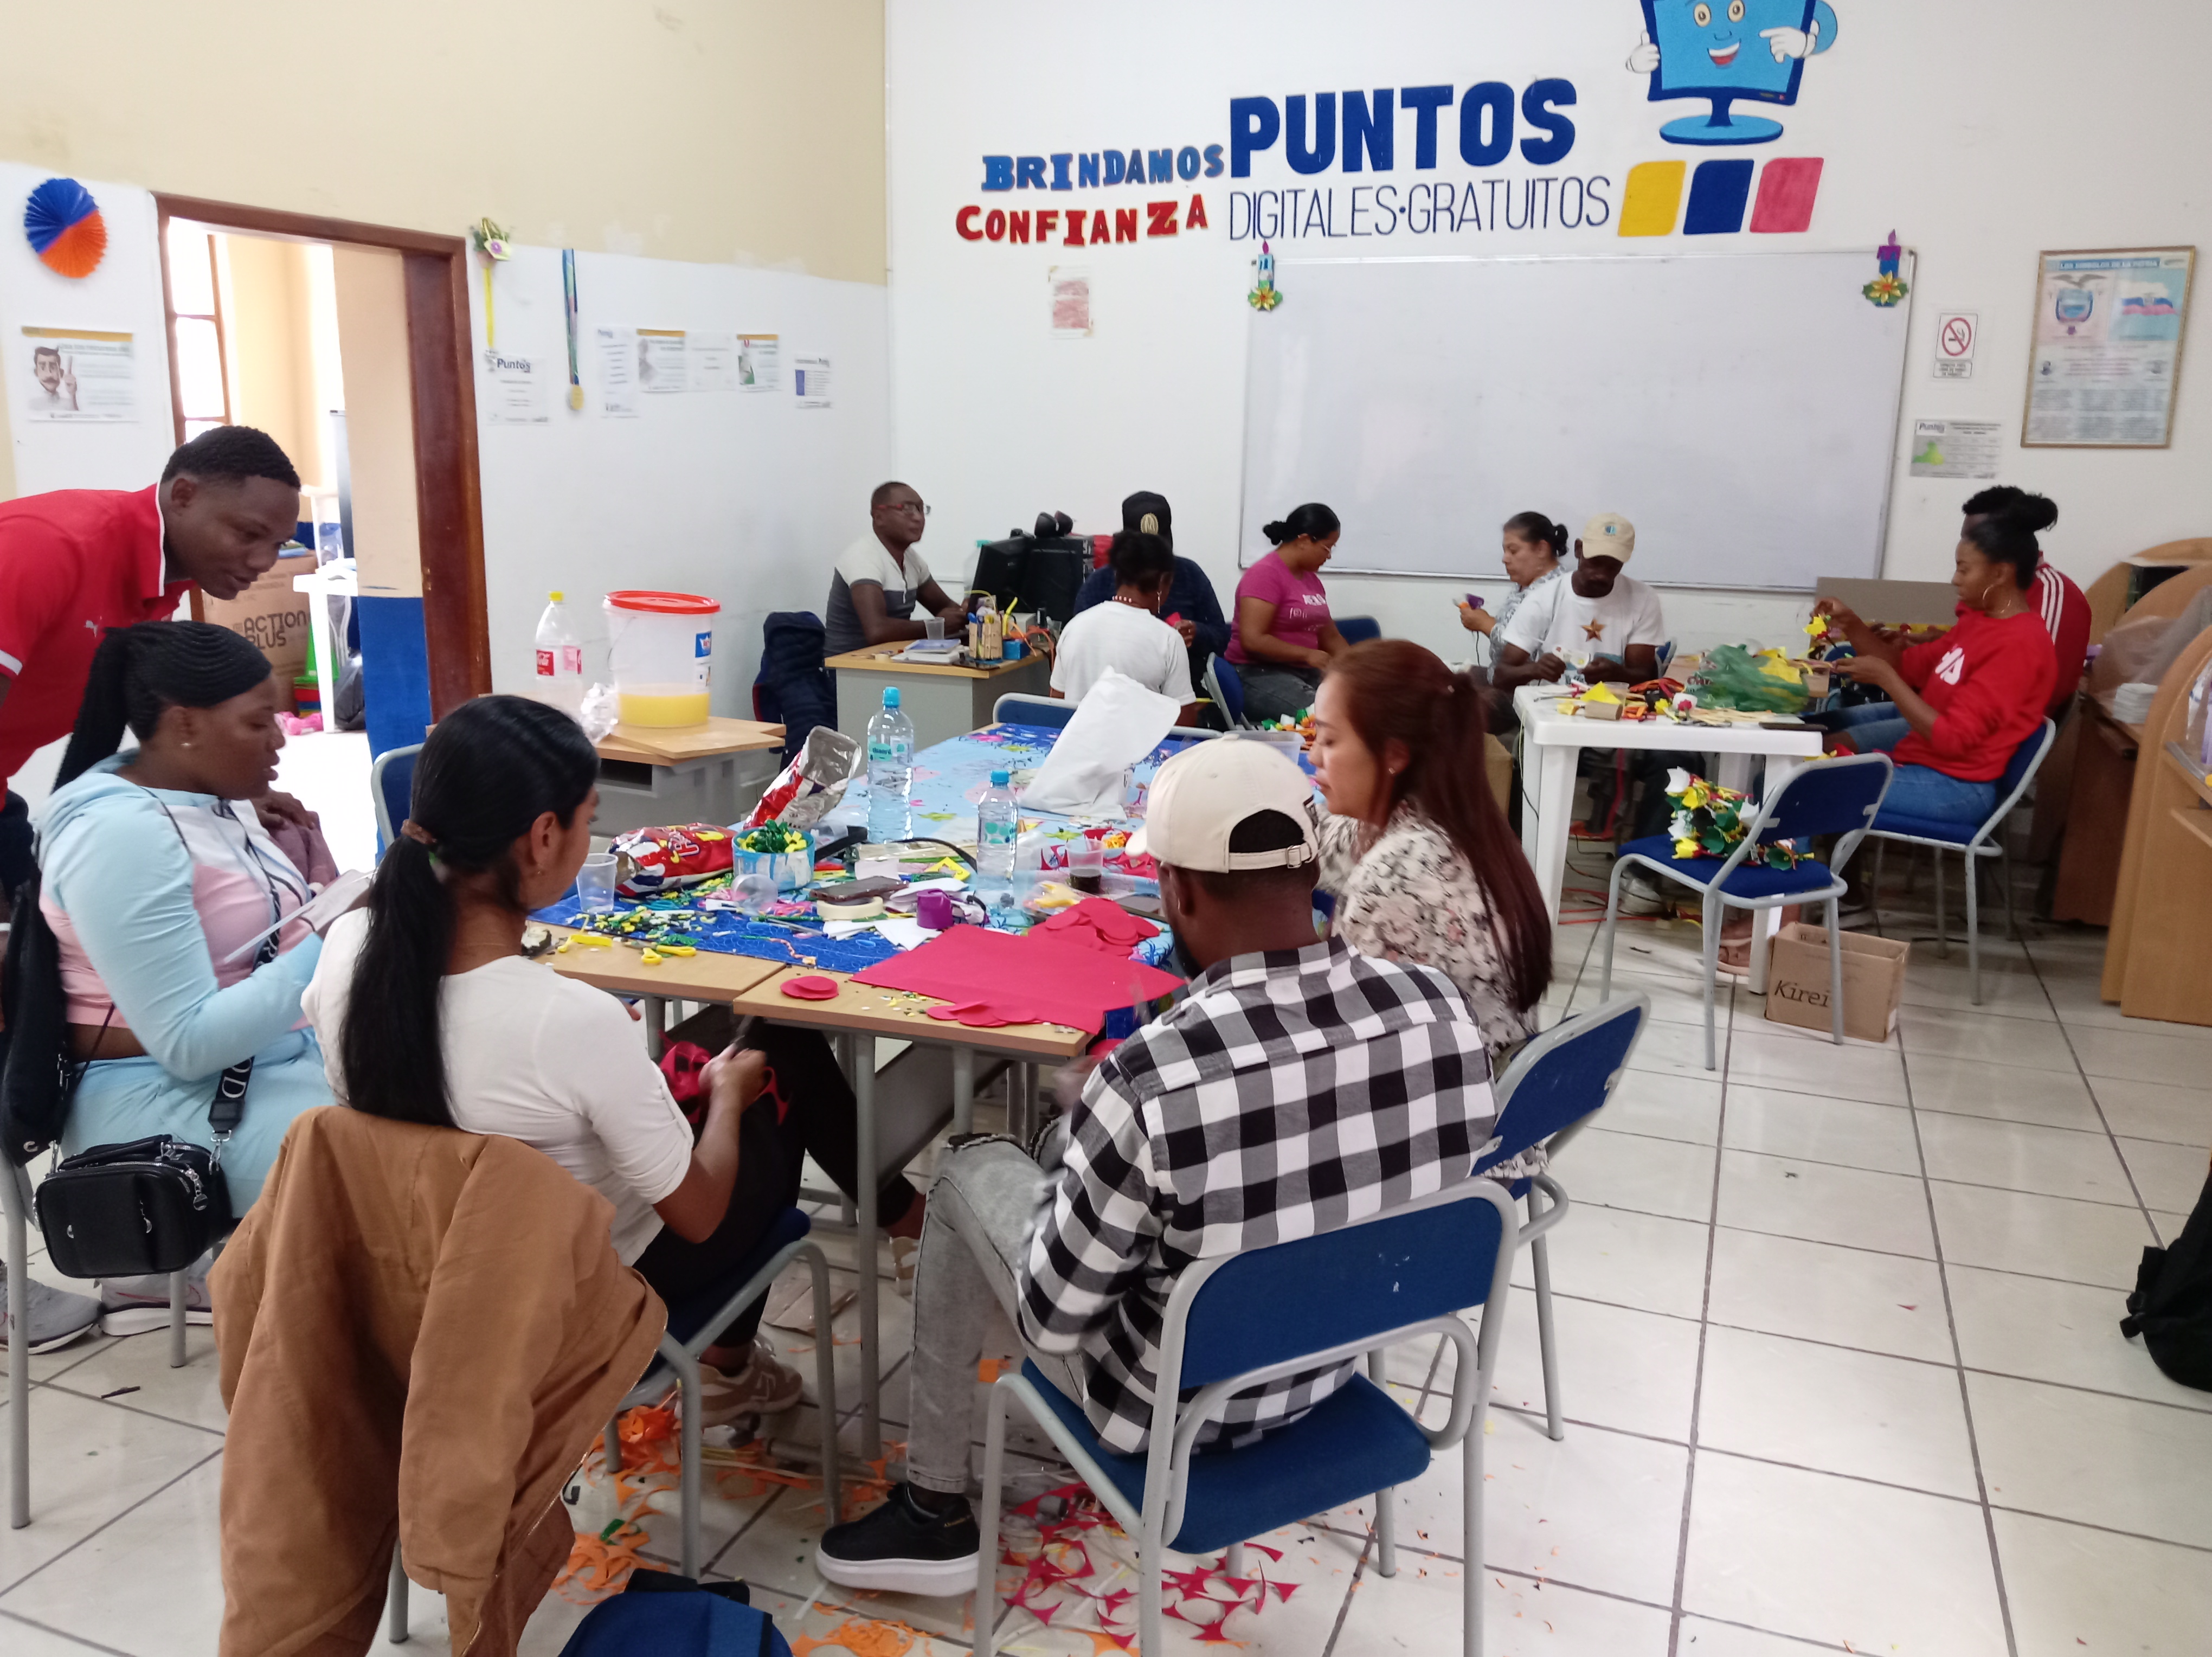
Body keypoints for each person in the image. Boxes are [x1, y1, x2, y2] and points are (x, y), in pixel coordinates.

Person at [814, 740, 1497, 1595]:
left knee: (967, 1167)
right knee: (1098, 1176)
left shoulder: (1149, 1079)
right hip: (1333, 1362)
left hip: (1176, 1409)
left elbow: (1052, 1320)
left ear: (1177, 891)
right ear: (1309, 870)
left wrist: (1089, 1138)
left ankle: (932, 1510)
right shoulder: (1437, 1009)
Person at [304, 696, 932, 1425]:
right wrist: (728, 1097)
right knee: (777, 1056)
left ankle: (900, 1222)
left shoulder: (348, 949)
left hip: (431, 1275)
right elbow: (698, 1215)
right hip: (597, 1286)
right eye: (589, 819)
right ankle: (734, 1362)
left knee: (756, 1037)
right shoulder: (568, 1020)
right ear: (544, 837)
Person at [33, 622, 339, 1335]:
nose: (281, 738)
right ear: (186, 726)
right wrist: (333, 937)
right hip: (152, 1100)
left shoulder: (201, 796)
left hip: (260, 1061)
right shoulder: (121, 835)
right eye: (258, 722)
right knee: (415, 1156)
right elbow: (189, 1044)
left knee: (462, 1091)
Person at [0, 426, 308, 911]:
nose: (263, 561)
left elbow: (126, 740)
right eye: (248, 534)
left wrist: (215, 800)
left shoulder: (162, 585)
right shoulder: (48, 547)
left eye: (278, 544)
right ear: (183, 495)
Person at [1310, 641, 1551, 1059]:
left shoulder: (1394, 879)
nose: (1313, 754)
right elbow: (1328, 837)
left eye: (1329, 740)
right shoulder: (1459, 823)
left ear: (1394, 755)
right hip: (1490, 1069)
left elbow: (1341, 1041)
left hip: (1445, 1088)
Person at [1815, 493, 2059, 830]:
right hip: (1923, 764)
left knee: (1801, 787)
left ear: (2000, 573)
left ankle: (1788, 864)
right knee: (1796, 769)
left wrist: (1887, 680)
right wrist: (1851, 623)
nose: (1955, 579)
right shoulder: (1979, 623)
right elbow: (1903, 665)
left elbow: (1952, 739)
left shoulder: (2019, 645)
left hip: (1955, 787)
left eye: (1964, 569)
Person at [1069, 490, 1230, 691]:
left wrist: (1197, 633)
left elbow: (1222, 637)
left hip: (1185, 687)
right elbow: (1081, 644)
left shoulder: (1190, 574)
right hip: (1113, 689)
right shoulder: (1099, 582)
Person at [1491, 512, 1666, 691]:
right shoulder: (1543, 599)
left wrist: (1618, 674)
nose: (1601, 575)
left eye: (1613, 566)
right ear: (1578, 549)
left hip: (1615, 706)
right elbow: (1501, 677)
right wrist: (1534, 670)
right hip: (1550, 706)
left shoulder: (1643, 599)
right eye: (1595, 562)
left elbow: (1645, 678)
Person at [1049, 530, 1197, 716]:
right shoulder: (1168, 640)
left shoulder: (1074, 628)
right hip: (1141, 737)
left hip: (1079, 736)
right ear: (1162, 582)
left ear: (1117, 574)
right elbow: (1182, 722)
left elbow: (1056, 703)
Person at [1227, 502, 1348, 722]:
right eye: (1327, 548)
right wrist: (1308, 654)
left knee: (1359, 704)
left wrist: (1358, 668)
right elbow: (1253, 640)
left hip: (1302, 673)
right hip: (1258, 674)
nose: (1329, 556)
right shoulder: (1264, 575)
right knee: (1328, 714)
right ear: (1304, 540)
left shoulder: (1311, 580)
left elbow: (1330, 637)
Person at [822, 480, 967, 658]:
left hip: (891, 660)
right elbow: (877, 631)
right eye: (907, 508)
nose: (918, 517)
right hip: (849, 666)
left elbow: (945, 608)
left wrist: (969, 611)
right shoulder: (863, 557)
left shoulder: (912, 560)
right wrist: (936, 626)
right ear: (879, 517)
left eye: (921, 509)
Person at [1458, 511, 1568, 648]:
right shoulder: (1524, 583)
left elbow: (1532, 651)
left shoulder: (1557, 591)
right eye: (1505, 551)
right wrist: (1481, 619)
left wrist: (1486, 624)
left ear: (1542, 549)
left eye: (1513, 551)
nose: (1505, 559)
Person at [29, 344, 75, 413]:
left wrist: (73, 395)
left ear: (61, 373)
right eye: (43, 368)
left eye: (53, 368)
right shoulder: (31, 405)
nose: (49, 374)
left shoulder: (69, 404)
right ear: (36, 372)